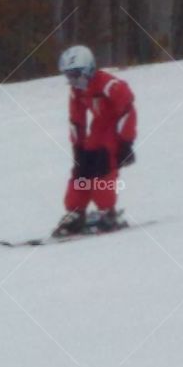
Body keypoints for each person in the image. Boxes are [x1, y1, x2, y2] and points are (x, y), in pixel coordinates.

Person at [52, 45, 137, 237]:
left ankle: (107, 212)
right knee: (81, 169)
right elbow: (76, 120)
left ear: (89, 69)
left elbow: (127, 107)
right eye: (69, 77)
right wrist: (78, 147)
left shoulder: (107, 84)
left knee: (103, 168)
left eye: (76, 75)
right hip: (97, 131)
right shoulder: (77, 91)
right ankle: (75, 212)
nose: (73, 81)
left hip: (114, 132)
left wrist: (126, 142)